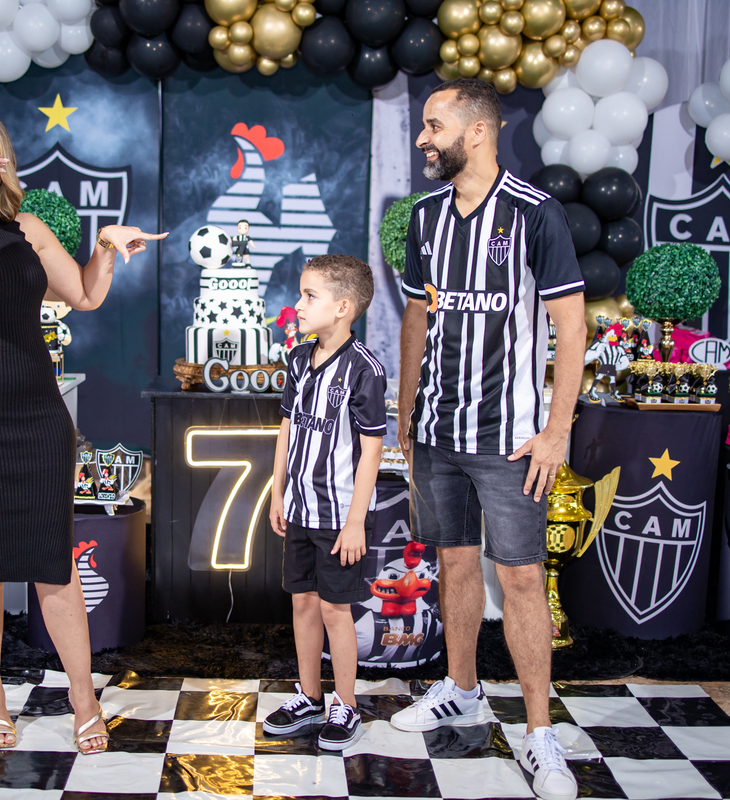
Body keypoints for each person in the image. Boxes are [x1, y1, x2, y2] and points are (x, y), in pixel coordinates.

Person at [0, 108, 165, 754]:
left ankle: (83, 699)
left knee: (55, 563)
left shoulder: (27, 227)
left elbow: (84, 295)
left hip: (36, 418)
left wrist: (105, 248)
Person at [392, 78, 587, 800]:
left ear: (477, 131)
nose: (423, 139)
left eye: (434, 126)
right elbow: (416, 319)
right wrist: (406, 413)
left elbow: (572, 327)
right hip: (437, 430)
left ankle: (539, 733)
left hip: (510, 439)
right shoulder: (424, 218)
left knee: (524, 578)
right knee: (454, 562)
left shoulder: (535, 214)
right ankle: (463, 690)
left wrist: (557, 431)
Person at [265, 254, 387, 751]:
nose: (298, 305)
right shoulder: (298, 359)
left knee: (337, 609)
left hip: (340, 518)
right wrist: (278, 490)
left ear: (343, 307)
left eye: (309, 296)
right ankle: (310, 696)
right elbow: (287, 428)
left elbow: (372, 450)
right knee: (303, 603)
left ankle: (346, 704)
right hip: (300, 508)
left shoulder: (364, 370)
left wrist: (356, 522)